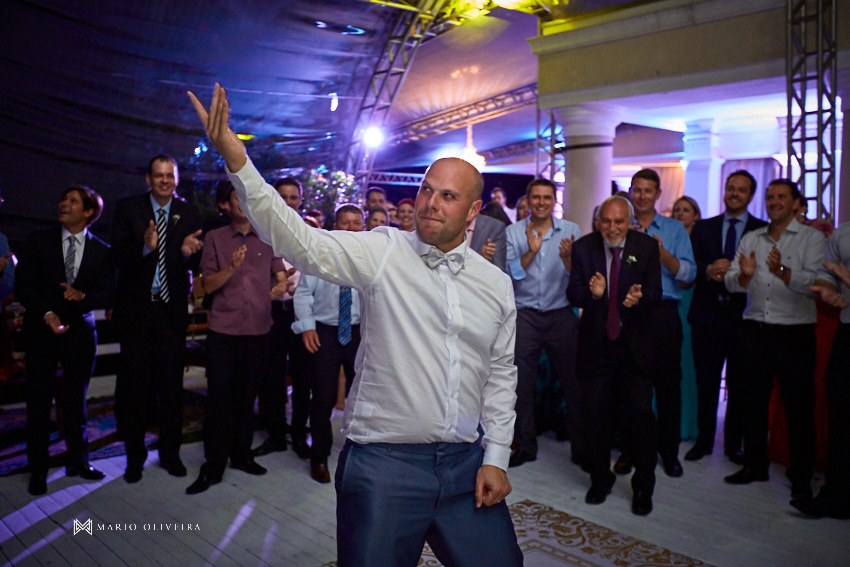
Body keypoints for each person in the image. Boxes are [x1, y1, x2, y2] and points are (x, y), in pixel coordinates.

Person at [189, 84, 522, 567]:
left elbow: (501, 374)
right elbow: (298, 239)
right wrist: (237, 159)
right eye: (427, 189)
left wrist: (496, 456)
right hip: (384, 466)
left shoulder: (495, 284)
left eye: (448, 196)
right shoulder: (384, 249)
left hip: (465, 465)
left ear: (473, 211)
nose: (430, 202)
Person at [724, 179, 826, 502]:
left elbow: (815, 281)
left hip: (794, 333)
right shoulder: (753, 237)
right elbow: (730, 281)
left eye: (781, 196)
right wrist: (744, 275)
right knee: (752, 403)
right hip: (755, 330)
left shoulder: (812, 238)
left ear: (796, 203)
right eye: (770, 197)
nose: (774, 202)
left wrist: (783, 271)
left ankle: (800, 477)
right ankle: (755, 465)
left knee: (798, 409)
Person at [186, 183, 289, 494]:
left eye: (247, 198)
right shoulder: (215, 239)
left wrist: (281, 286)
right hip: (223, 332)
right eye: (236, 198)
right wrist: (231, 268)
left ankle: (242, 455)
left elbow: (281, 278)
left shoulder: (267, 239)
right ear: (226, 206)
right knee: (219, 399)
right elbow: (204, 286)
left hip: (259, 331)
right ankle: (213, 465)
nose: (242, 203)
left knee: (247, 398)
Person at [566, 196, 662, 516]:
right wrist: (591, 295)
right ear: (598, 221)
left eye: (618, 221)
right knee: (595, 418)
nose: (611, 228)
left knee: (641, 420)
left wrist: (641, 298)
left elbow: (656, 293)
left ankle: (643, 487)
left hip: (635, 348)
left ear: (630, 222)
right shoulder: (584, 248)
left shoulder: (646, 247)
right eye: (605, 221)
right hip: (597, 347)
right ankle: (600, 479)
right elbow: (572, 293)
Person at [16, 186, 115, 495]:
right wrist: (46, 313)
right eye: (63, 199)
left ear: (88, 213)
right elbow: (23, 287)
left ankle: (78, 461)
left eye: (73, 201)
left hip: (80, 334)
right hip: (40, 330)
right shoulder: (38, 241)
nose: (63, 204)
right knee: (39, 402)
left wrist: (83, 297)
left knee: (75, 401)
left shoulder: (101, 250)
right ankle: (39, 470)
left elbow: (109, 292)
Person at [111, 154, 203, 484]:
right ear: (148, 179)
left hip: (171, 314)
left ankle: (171, 454)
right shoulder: (128, 208)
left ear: (177, 179)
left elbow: (196, 263)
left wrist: (188, 254)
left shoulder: (190, 212)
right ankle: (134, 458)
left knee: (171, 389)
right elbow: (116, 257)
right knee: (136, 389)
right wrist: (146, 248)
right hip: (137, 313)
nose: (164, 180)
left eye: (170, 175)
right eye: (158, 175)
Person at [685, 171, 766, 463]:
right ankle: (704, 441)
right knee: (706, 384)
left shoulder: (762, 230)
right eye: (730, 188)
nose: (734, 194)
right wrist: (707, 269)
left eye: (741, 190)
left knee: (740, 385)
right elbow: (689, 265)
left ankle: (733, 445)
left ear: (750, 195)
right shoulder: (703, 227)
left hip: (744, 320)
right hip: (706, 317)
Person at [505, 179, 582, 468]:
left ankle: (582, 447)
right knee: (521, 385)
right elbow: (509, 274)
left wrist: (567, 259)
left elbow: (579, 277)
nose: (541, 202)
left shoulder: (572, 231)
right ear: (528, 199)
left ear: (554, 200)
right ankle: (525, 445)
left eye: (546, 197)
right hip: (525, 315)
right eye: (535, 197)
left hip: (561, 314)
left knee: (573, 382)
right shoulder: (513, 232)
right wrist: (532, 251)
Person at [629, 169, 695, 478]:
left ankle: (669, 453)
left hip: (664, 316)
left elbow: (688, 275)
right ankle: (632, 450)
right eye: (637, 189)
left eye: (648, 190)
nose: (642, 195)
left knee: (668, 388)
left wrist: (661, 254)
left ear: (658, 195)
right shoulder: (620, 226)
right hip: (630, 314)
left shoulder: (674, 229)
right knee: (632, 390)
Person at [292, 204, 364, 484]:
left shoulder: (370, 259)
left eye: (356, 223)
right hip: (325, 332)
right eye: (345, 223)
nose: (351, 228)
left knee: (361, 398)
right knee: (322, 398)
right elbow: (302, 295)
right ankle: (319, 457)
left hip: (359, 333)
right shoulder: (319, 258)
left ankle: (360, 454)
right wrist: (307, 326)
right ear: (336, 226)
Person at [254, 176, 309, 458]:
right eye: (283, 197)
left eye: (293, 197)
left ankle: (299, 435)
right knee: (273, 375)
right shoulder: (264, 231)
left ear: (300, 200)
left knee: (301, 376)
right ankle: (276, 434)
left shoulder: (308, 231)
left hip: (303, 312)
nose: (288, 202)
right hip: (273, 311)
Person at [800, 230, 850, 518]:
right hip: (847, 329)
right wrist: (828, 287)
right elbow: (826, 272)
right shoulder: (843, 233)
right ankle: (835, 495)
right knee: (840, 416)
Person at [671, 196, 701, 444]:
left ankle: (688, 425)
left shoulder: (700, 242)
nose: (681, 213)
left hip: (692, 306)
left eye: (686, 210)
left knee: (688, 367)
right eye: (677, 210)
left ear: (696, 215)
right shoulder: (668, 241)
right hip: (670, 304)